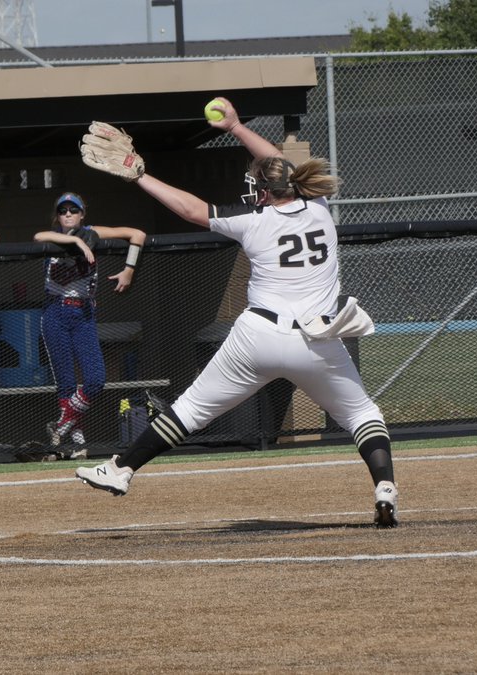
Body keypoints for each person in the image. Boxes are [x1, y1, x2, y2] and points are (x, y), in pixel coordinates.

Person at [75, 97, 398, 528]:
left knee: (189, 410)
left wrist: (141, 174)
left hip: (258, 337)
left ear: (265, 192)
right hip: (318, 339)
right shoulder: (321, 212)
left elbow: (192, 209)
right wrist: (236, 126)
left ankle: (120, 470)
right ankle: (384, 488)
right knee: (363, 416)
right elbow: (279, 164)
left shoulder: (252, 220)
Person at [35, 192, 146, 459]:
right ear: (58, 215)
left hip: (83, 313)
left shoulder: (92, 232)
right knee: (65, 384)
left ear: (83, 214)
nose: (69, 214)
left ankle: (59, 427)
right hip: (55, 312)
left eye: (74, 210)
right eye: (63, 211)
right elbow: (38, 237)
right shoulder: (53, 236)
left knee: (96, 379)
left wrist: (129, 269)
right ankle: (77, 444)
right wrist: (73, 240)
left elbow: (138, 234)